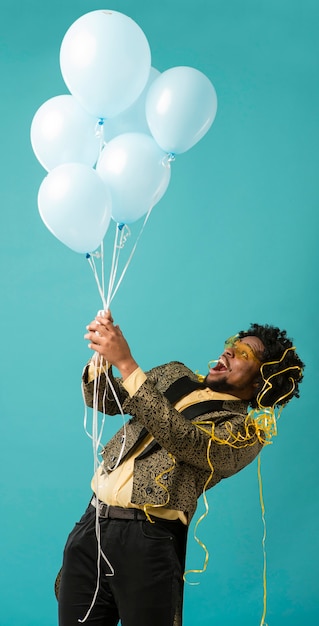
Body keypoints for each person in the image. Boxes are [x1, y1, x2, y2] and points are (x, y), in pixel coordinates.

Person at [56, 310, 304, 626]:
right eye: (232, 344)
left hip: (146, 539)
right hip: (92, 525)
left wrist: (128, 363)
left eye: (242, 353)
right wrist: (102, 358)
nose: (228, 350)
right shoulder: (175, 373)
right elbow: (107, 399)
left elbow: (185, 439)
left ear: (260, 382)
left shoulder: (244, 432)